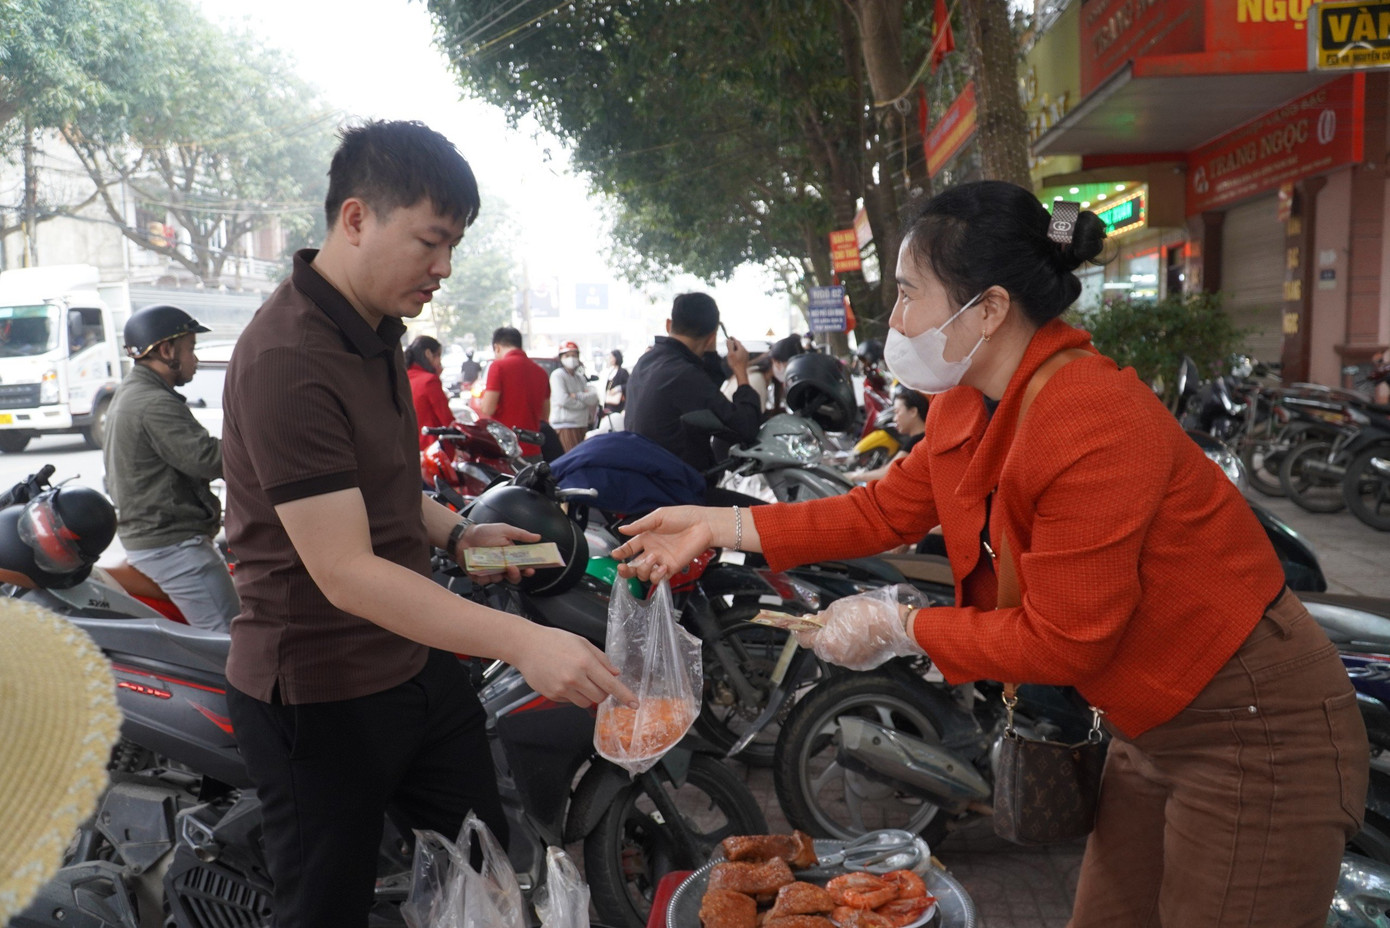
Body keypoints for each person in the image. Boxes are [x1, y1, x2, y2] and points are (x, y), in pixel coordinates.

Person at [613, 180, 1367, 928]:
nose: (896, 320)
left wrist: (900, 627)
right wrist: (719, 525)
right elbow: (882, 508)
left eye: (909, 295)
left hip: (1251, 727)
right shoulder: (968, 402)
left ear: (991, 309)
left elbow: (1064, 638)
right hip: (1148, 724)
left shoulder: (1088, 417)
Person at [219, 119, 634, 928]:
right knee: (322, 909)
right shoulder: (287, 358)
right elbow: (344, 570)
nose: (443, 268)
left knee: (482, 872)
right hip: (320, 692)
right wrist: (522, 640)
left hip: (413, 667)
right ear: (355, 219)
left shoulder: (374, 331)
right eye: (430, 243)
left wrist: (457, 535)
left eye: (455, 246)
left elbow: (382, 486)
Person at [104, 303, 239, 632]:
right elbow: (209, 459)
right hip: (173, 548)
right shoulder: (153, 403)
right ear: (166, 350)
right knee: (233, 644)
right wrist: (269, 449)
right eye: (191, 349)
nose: (196, 359)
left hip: (154, 540)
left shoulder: (134, 393)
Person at [624, 292, 761, 484]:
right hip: (679, 494)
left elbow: (704, 391)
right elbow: (746, 427)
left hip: (646, 481)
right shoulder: (684, 376)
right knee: (758, 512)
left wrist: (710, 352)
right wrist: (740, 371)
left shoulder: (646, 362)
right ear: (712, 336)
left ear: (668, 325)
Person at [479, 325, 549, 457]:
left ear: (497, 347)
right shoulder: (541, 372)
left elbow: (488, 408)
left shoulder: (498, 367)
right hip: (533, 450)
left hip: (506, 450)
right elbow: (545, 415)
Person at [847, 387, 928, 483]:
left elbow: (886, 474)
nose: (894, 419)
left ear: (913, 412)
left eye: (897, 412)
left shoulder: (917, 442)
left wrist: (854, 476)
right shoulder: (923, 438)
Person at [549, 340, 599, 452]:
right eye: (567, 355)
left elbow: (594, 398)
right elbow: (563, 400)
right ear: (561, 357)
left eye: (574, 355)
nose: (571, 358)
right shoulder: (558, 376)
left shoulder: (580, 378)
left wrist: (576, 396)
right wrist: (583, 404)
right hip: (565, 426)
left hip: (581, 424)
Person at [406, 335, 453, 450]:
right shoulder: (429, 381)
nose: (440, 362)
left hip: (410, 448)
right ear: (428, 354)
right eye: (438, 356)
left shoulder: (405, 376)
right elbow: (446, 419)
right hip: (431, 448)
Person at [601, 349, 629, 415]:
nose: (610, 359)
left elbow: (628, 385)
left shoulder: (622, 372)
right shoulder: (610, 371)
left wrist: (617, 388)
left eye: (611, 357)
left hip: (618, 404)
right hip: (609, 402)